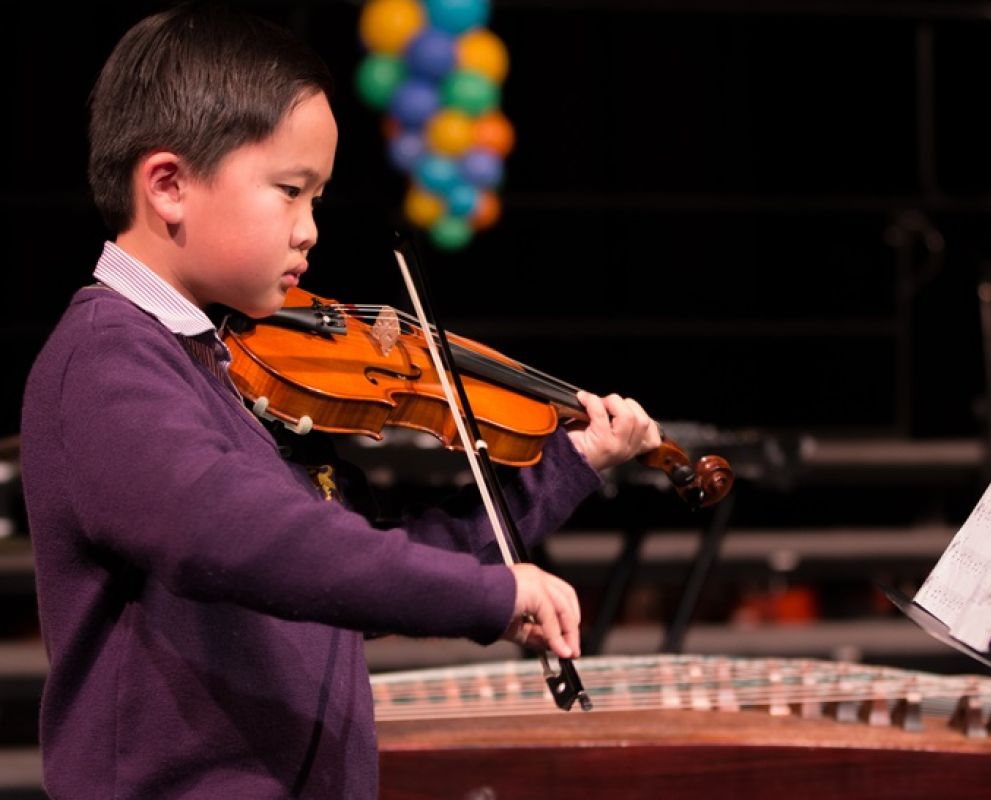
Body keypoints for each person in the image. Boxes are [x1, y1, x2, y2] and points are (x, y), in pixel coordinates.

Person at [19, 4, 659, 797]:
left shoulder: (221, 365)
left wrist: (562, 468)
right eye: (291, 191)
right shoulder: (107, 362)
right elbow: (254, 539)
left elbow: (349, 564)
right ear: (169, 185)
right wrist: (488, 596)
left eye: (316, 198)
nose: (310, 230)